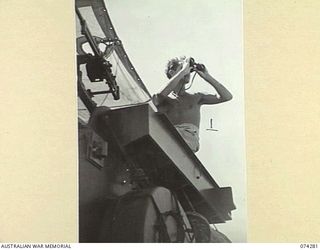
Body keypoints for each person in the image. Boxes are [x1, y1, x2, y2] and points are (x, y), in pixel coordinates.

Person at [152, 56, 232, 152]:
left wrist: (207, 76)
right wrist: (183, 72)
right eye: (182, 68)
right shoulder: (166, 99)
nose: (188, 72)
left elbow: (227, 96)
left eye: (188, 69)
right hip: (169, 140)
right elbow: (157, 98)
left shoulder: (196, 98)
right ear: (172, 73)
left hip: (188, 140)